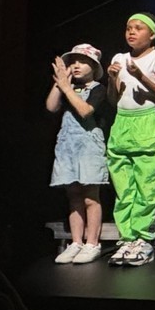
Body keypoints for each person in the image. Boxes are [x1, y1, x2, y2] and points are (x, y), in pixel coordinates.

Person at [105, 12, 155, 266]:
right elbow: (114, 99)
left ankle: (144, 239)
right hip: (122, 123)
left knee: (148, 184)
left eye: (138, 28)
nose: (131, 32)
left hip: (148, 122)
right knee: (124, 187)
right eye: (128, 28)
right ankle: (126, 237)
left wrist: (140, 76)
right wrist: (112, 79)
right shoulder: (119, 59)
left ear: (152, 34)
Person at [47, 43, 110, 265]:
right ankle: (76, 242)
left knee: (90, 195)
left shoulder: (99, 88)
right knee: (73, 194)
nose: (76, 65)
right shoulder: (67, 86)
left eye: (82, 61)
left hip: (89, 145)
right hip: (67, 145)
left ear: (94, 67)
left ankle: (92, 242)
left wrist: (66, 87)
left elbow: (85, 111)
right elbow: (51, 107)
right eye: (72, 61)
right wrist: (60, 83)